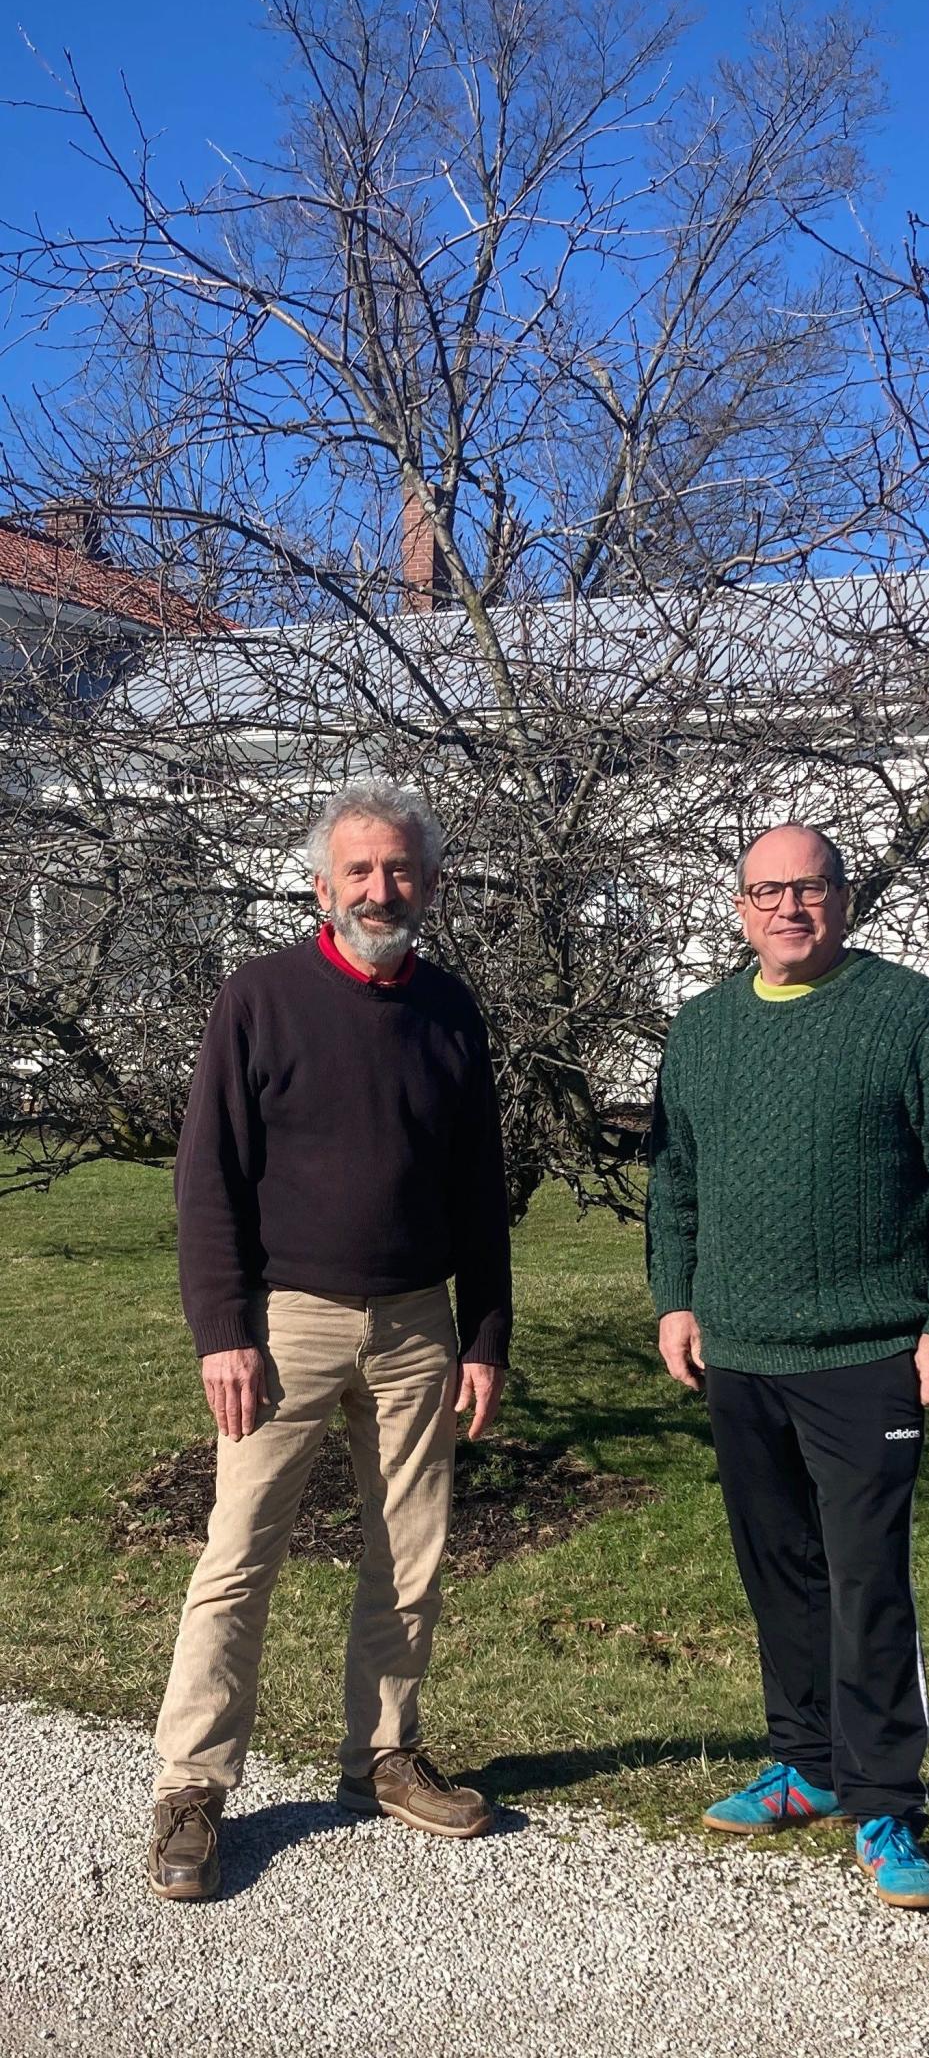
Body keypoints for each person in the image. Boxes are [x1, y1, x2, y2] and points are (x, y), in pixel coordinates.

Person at [147, 779, 511, 1901]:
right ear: (321, 884)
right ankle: (191, 1787)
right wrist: (225, 1329)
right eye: (358, 870)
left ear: (432, 886)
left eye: (399, 869)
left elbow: (480, 1191)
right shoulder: (258, 998)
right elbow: (208, 1179)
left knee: (409, 1556)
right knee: (237, 1553)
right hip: (284, 1325)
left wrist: (485, 1336)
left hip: (416, 1325)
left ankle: (384, 1757)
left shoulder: (452, 1012)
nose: (379, 888)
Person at [646, 823, 929, 1911]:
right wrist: (674, 1297)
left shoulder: (908, 1015)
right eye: (767, 890)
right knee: (780, 1572)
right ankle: (804, 1761)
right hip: (739, 1356)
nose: (788, 908)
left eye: (809, 887)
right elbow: (675, 1182)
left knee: (867, 1582)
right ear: (741, 906)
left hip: (868, 1355)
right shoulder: (701, 1030)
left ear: (843, 898)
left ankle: (886, 1798)